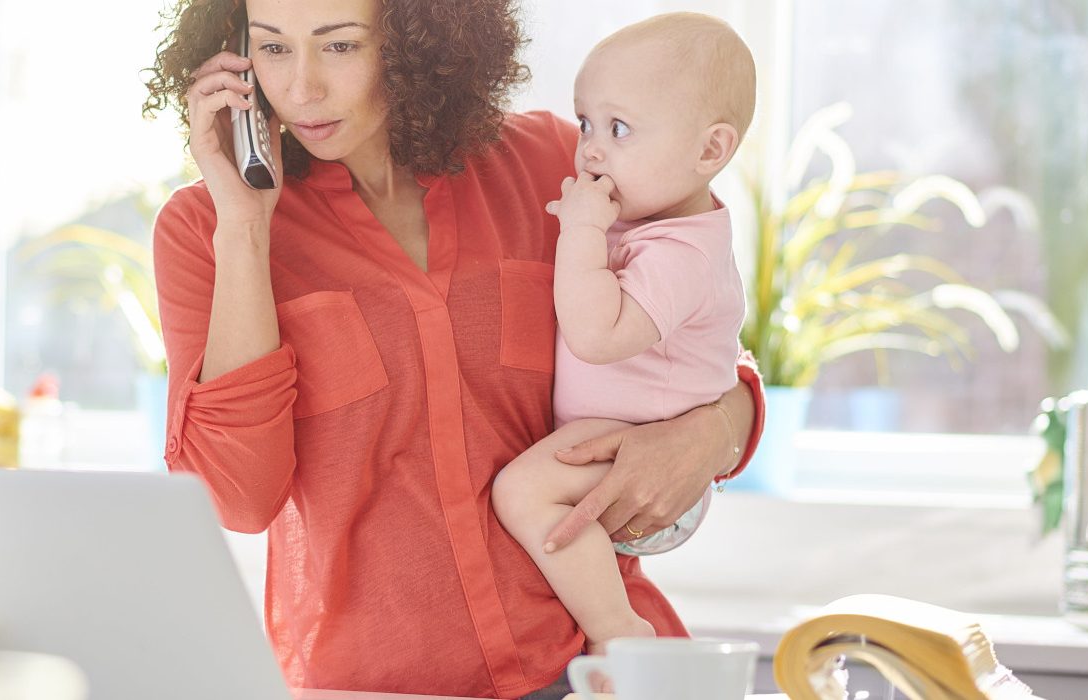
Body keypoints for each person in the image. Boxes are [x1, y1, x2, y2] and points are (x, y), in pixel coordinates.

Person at [141, 1, 766, 697]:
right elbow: (237, 499)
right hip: (383, 683)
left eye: (340, 46)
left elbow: (694, 328)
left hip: (602, 667)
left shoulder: (553, 168)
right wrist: (245, 232)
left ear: (415, 38)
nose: (302, 88)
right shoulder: (205, 233)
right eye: (273, 50)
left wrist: (713, 433)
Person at [491, 12, 756, 659]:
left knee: (522, 490)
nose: (590, 151)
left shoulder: (681, 253)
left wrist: (580, 233)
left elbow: (596, 334)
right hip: (621, 439)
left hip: (639, 448)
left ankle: (617, 629)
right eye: (585, 123)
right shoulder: (652, 222)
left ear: (709, 151)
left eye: (619, 128)